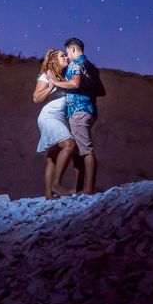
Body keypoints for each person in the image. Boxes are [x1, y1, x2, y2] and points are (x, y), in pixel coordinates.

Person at [48, 37, 105, 195]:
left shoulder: (75, 64)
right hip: (91, 110)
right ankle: (79, 188)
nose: (67, 54)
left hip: (79, 111)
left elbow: (74, 84)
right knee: (79, 150)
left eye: (67, 51)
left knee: (86, 150)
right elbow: (101, 91)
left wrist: (55, 82)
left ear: (73, 49)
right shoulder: (92, 67)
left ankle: (88, 189)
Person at [32, 49, 77, 199]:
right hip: (49, 117)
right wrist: (51, 87)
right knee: (69, 145)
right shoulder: (46, 76)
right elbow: (36, 98)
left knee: (53, 156)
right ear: (54, 60)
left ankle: (48, 194)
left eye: (65, 55)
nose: (65, 57)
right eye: (62, 56)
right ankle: (56, 184)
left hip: (60, 118)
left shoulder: (63, 77)